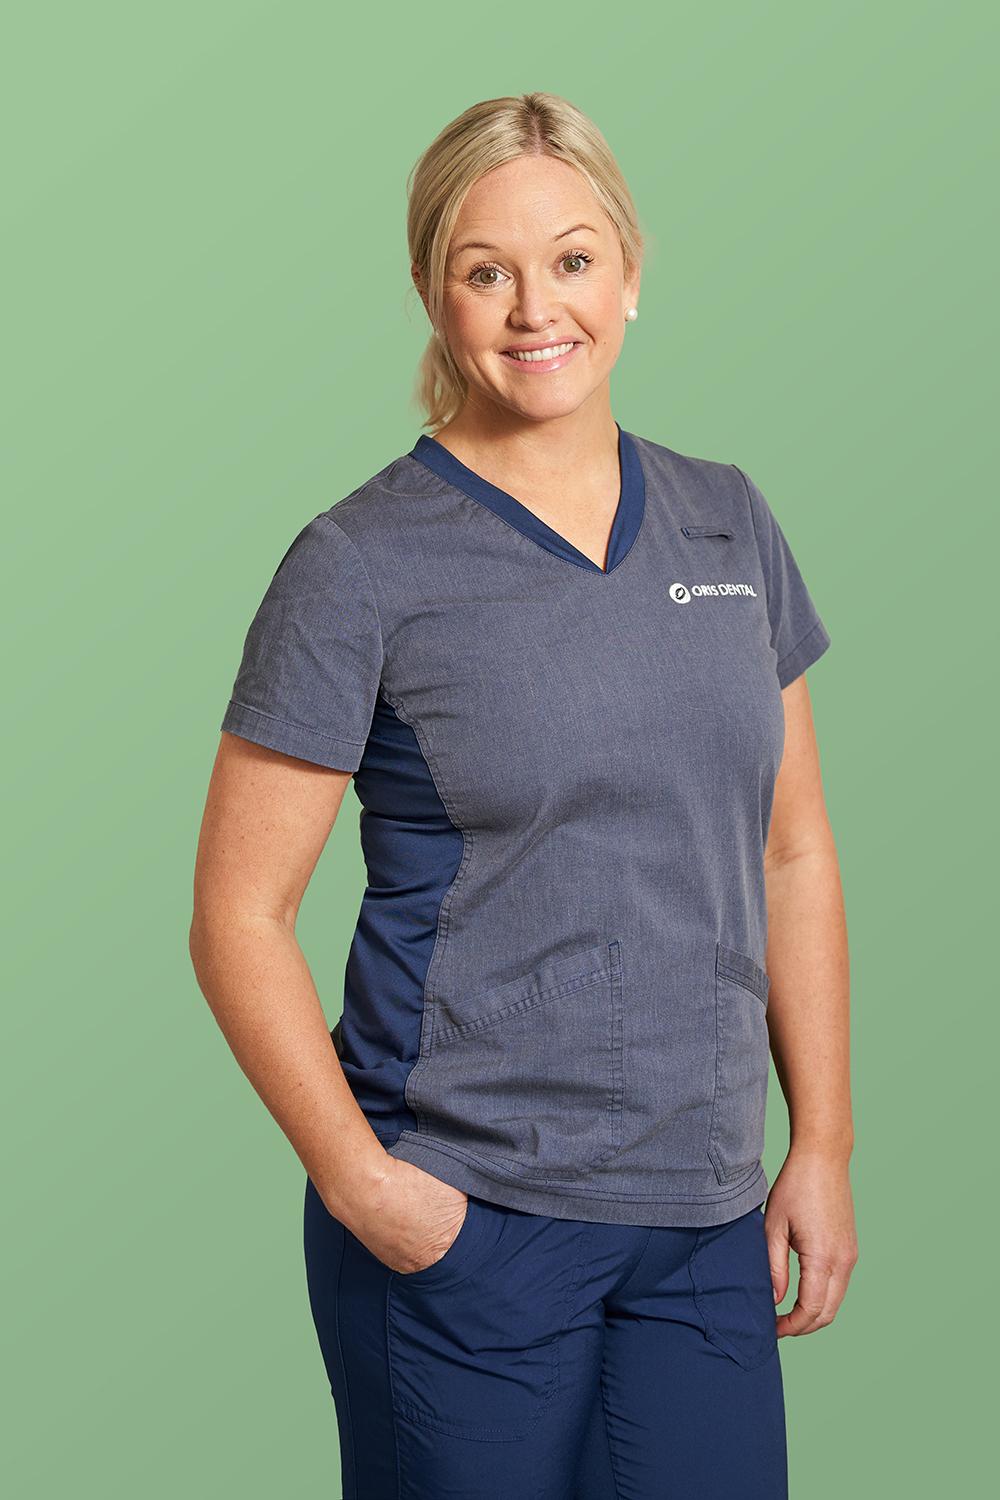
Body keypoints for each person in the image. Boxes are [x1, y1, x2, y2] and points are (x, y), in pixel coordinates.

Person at [190, 91, 857, 1499]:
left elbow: (791, 852)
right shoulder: (358, 564)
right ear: (432, 295)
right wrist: (371, 1189)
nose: (535, 308)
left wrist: (823, 1144)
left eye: (572, 260)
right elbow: (239, 916)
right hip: (466, 1214)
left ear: (630, 273)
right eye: (484, 270)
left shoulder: (729, 521)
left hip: (705, 1218)